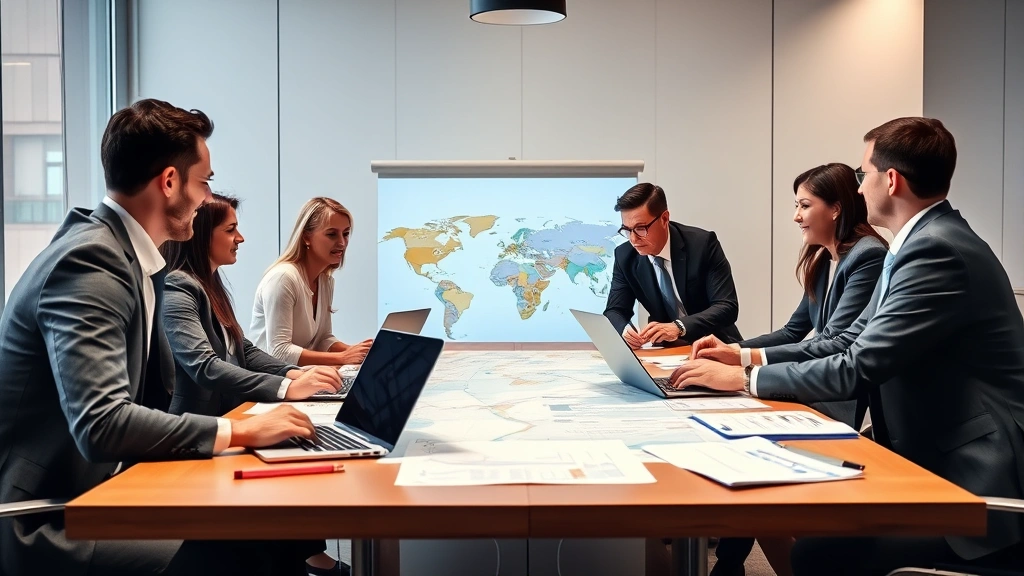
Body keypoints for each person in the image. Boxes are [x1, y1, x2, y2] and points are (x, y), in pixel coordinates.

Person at [674, 117, 1024, 575]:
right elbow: (851, 341)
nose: (859, 189)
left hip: (975, 483)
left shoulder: (933, 251)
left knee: (821, 553)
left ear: (891, 180)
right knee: (813, 532)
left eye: (864, 175)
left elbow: (858, 364)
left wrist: (744, 377)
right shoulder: (915, 244)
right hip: (927, 455)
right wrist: (742, 360)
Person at [0, 99, 318, 576]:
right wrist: (240, 431)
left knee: (273, 532)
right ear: (169, 182)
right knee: (244, 551)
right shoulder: (90, 263)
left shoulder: (133, 260)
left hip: (101, 490)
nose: (206, 197)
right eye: (203, 182)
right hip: (46, 518)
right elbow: (102, 423)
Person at [699, 164, 888, 576]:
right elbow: (794, 330)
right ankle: (729, 565)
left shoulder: (868, 257)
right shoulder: (825, 257)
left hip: (834, 394)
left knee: (749, 446)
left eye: (805, 205)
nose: (796, 216)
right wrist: (733, 349)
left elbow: (838, 343)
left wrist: (745, 364)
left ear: (836, 209)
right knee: (739, 438)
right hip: (812, 382)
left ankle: (730, 564)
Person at [161, 194, 348, 576]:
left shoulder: (210, 284)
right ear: (199, 233)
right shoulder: (179, 288)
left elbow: (242, 348)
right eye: (230, 229)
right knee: (271, 524)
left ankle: (304, 559)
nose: (240, 238)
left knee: (297, 460)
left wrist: (292, 375)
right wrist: (284, 388)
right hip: (198, 431)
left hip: (230, 417)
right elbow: (205, 366)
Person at [604, 183, 743, 348]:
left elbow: (727, 306)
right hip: (665, 352)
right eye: (627, 230)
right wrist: (625, 330)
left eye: (641, 228)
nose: (633, 239)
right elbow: (615, 310)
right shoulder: (625, 256)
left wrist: (679, 327)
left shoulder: (703, 244)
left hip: (716, 344)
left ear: (664, 219)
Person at [251, 197, 371, 366]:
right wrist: (343, 358)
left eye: (345, 234)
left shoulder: (325, 281)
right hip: (270, 384)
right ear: (306, 237)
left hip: (300, 378)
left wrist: (358, 353)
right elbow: (279, 351)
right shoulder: (283, 278)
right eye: (332, 234)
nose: (342, 243)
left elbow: (323, 339)